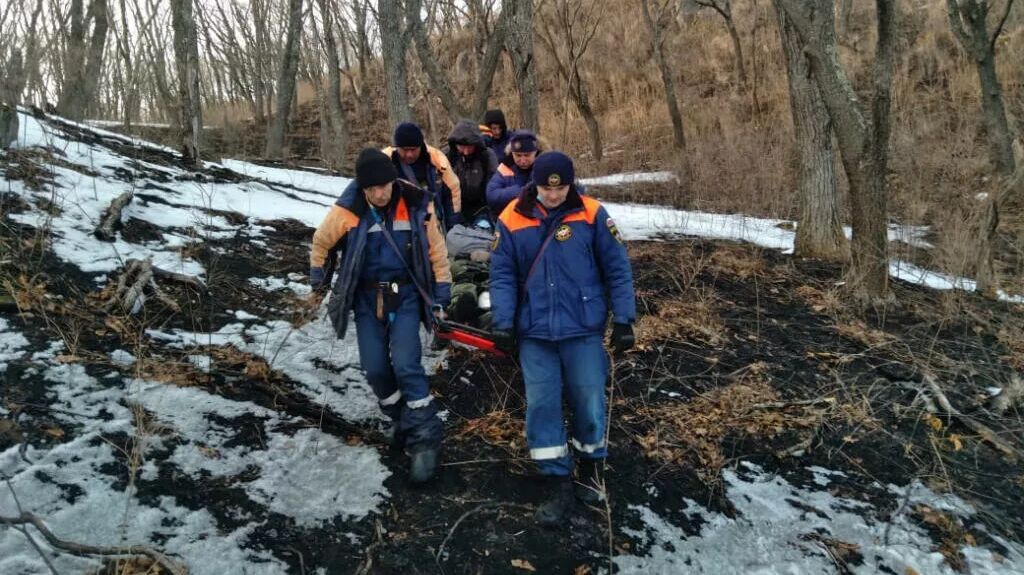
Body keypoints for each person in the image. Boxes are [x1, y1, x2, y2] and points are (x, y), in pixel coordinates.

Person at [489, 151, 636, 527]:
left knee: (588, 396)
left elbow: (618, 267)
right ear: (533, 184)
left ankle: (590, 466)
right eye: (545, 188)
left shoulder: (592, 213)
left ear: (570, 184)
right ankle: (557, 479)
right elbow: (502, 275)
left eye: (561, 188)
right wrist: (504, 323)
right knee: (542, 403)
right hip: (534, 332)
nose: (553, 196)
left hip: (582, 327)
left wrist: (623, 319)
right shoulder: (511, 218)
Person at [309, 148, 452, 484]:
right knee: (374, 369)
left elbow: (437, 253)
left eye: (385, 185)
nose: (380, 193)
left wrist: (441, 296)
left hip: (404, 295)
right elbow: (320, 244)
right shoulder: (347, 211)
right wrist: (318, 282)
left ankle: (425, 439)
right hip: (366, 296)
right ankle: (402, 418)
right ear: (362, 188)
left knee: (406, 364)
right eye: (372, 188)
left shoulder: (418, 205)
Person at [383, 122, 462, 230]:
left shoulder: (437, 159)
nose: (409, 154)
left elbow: (453, 189)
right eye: (405, 150)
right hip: (396, 223)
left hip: (429, 221)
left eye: (413, 150)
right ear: (397, 147)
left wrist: (453, 223)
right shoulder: (384, 160)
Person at [444, 119, 498, 228]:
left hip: (481, 209)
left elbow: (493, 187)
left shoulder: (487, 156)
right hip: (454, 210)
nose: (466, 152)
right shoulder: (446, 157)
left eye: (470, 147)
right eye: (462, 147)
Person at [485, 130, 541, 216]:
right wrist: (520, 191)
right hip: (508, 218)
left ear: (535, 153)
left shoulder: (544, 168)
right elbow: (492, 195)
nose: (522, 161)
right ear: (512, 153)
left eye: (527, 155)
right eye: (518, 155)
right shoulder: (505, 167)